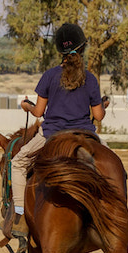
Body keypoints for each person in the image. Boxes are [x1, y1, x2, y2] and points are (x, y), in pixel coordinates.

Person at [8, 23, 106, 238]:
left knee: (18, 163)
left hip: (52, 134)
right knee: (111, 167)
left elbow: (39, 112)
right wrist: (102, 106)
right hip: (84, 134)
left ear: (59, 51)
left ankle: (20, 216)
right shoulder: (90, 79)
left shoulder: (50, 76)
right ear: (82, 48)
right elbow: (98, 116)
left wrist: (27, 106)